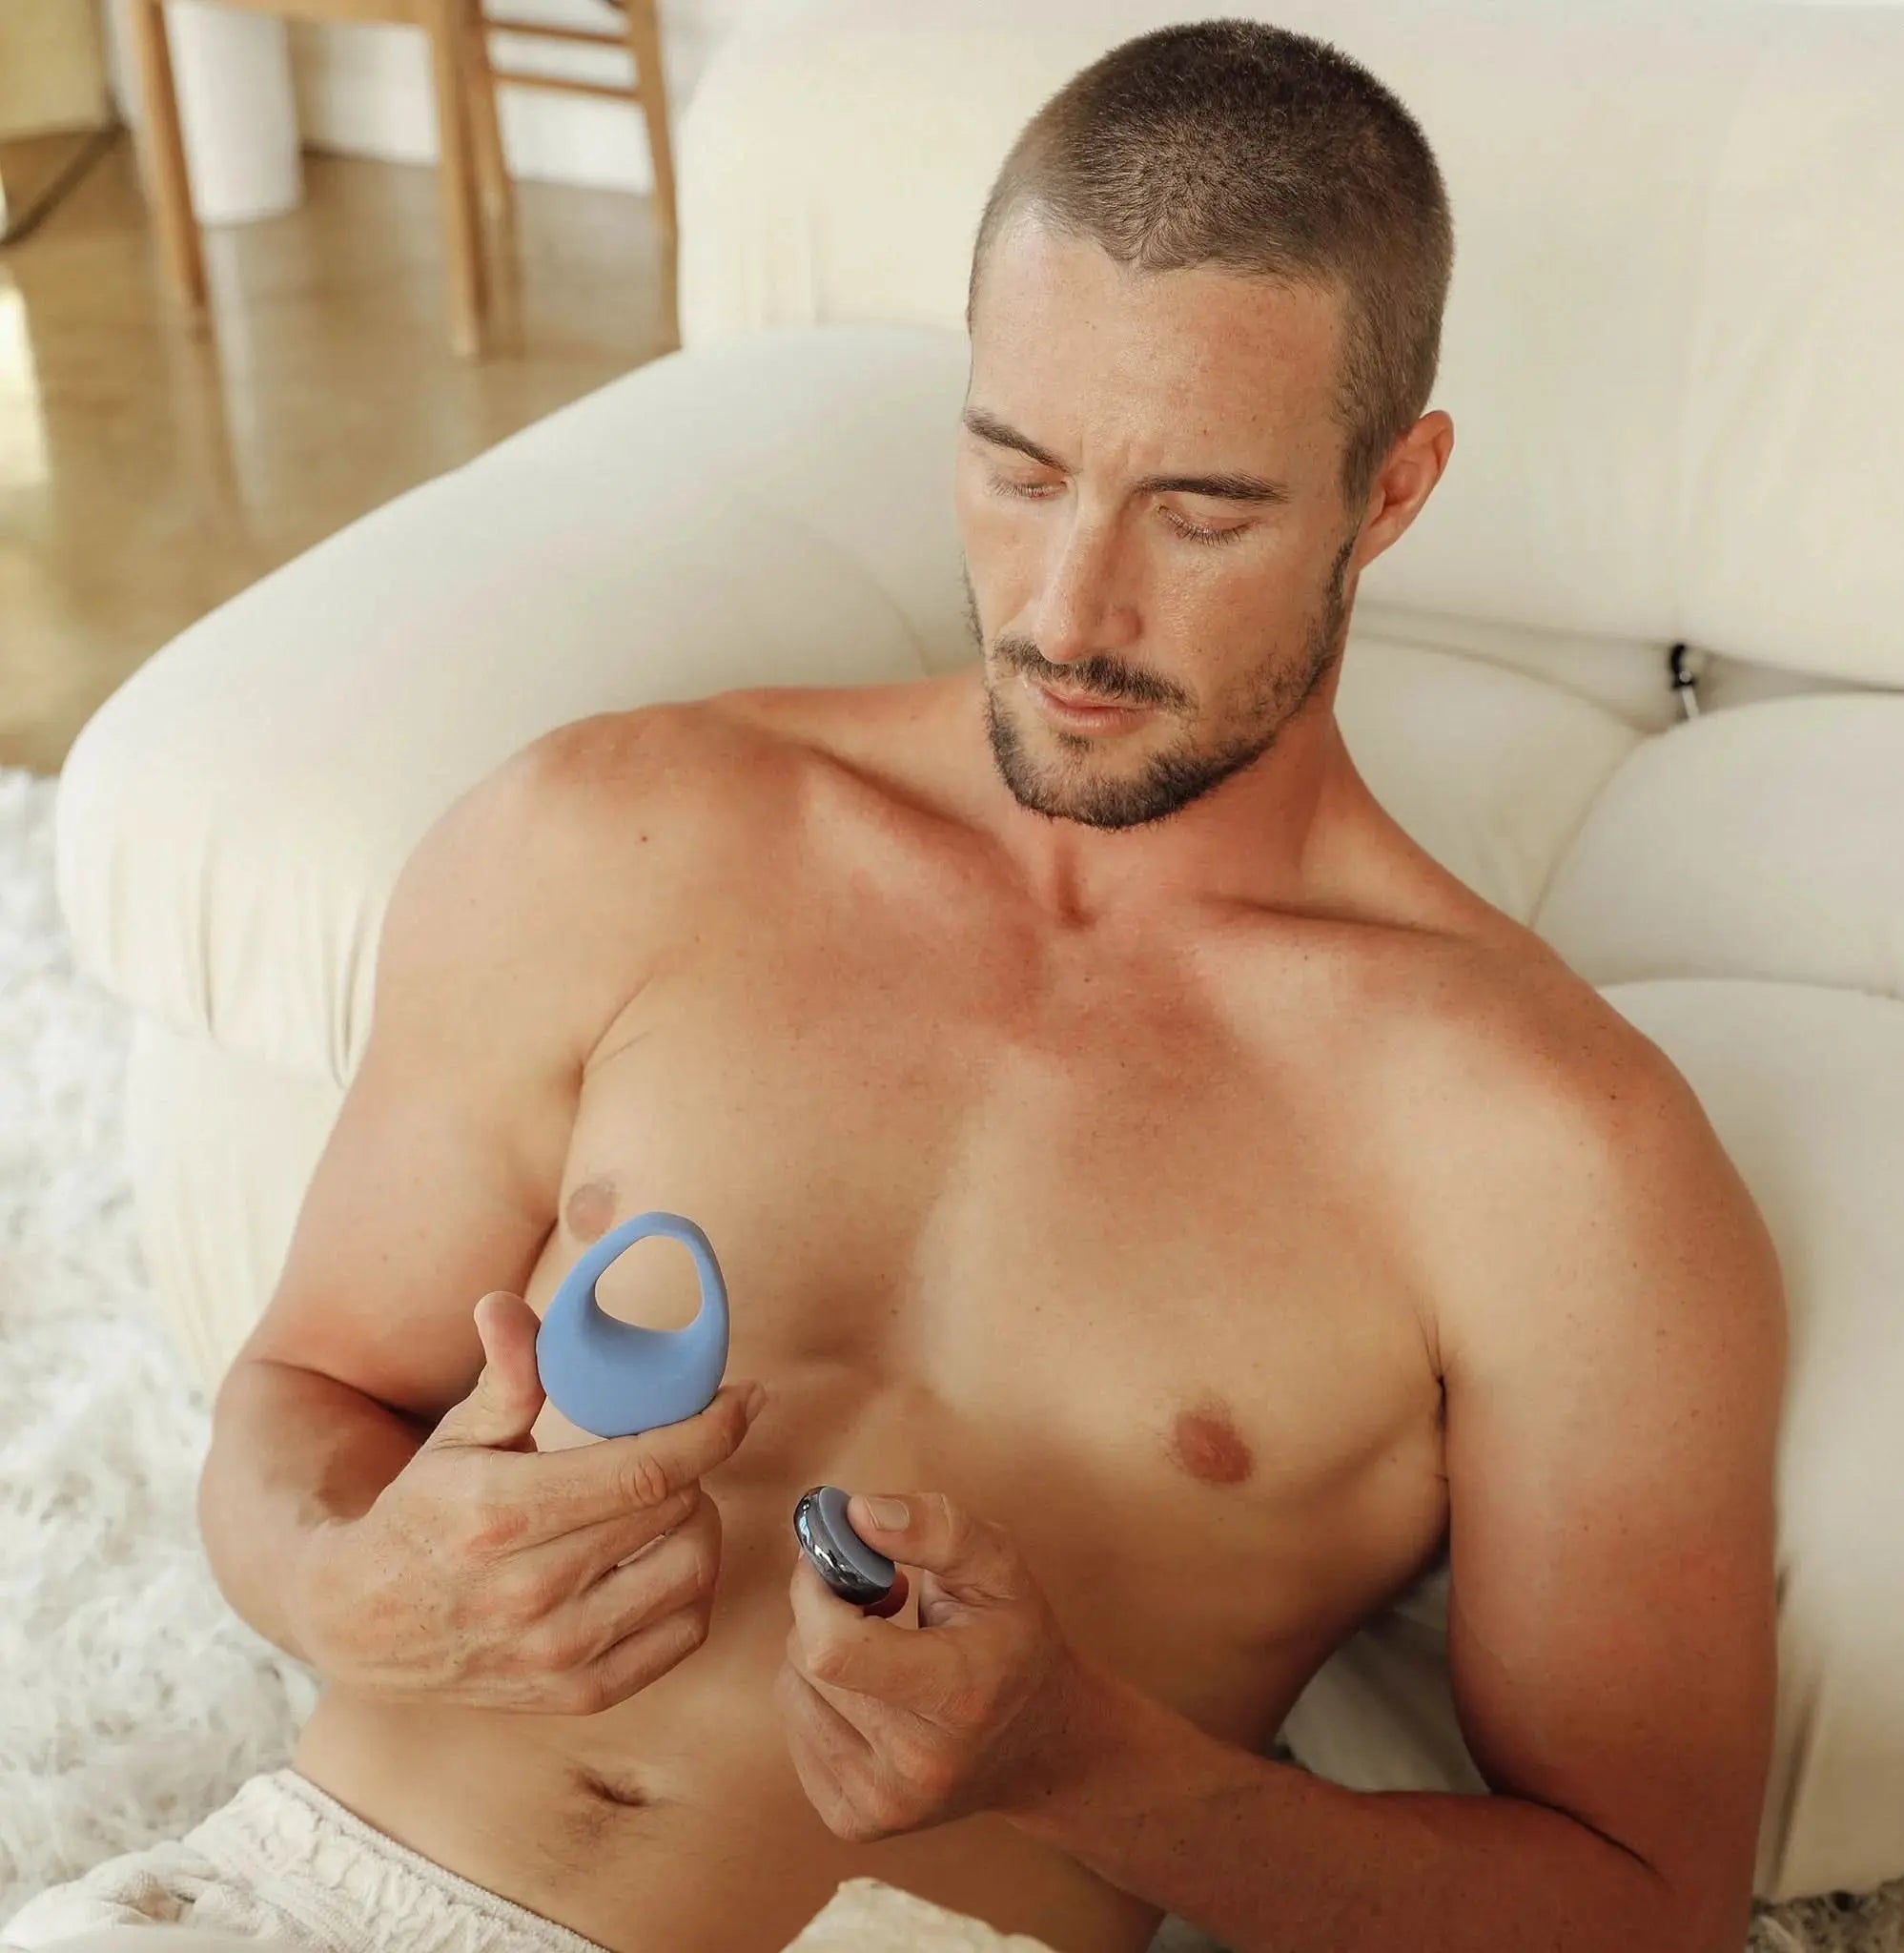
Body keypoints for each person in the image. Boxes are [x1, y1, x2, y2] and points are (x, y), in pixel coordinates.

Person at [3, 19, 1786, 1953]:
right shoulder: (617, 832)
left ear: (1391, 490)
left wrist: (1090, 1767)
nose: (1067, 612)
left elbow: (1643, 1903)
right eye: (1016, 469)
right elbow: (301, 1394)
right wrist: (347, 1591)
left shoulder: (1549, 1143)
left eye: (1199, 512)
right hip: (290, 1897)